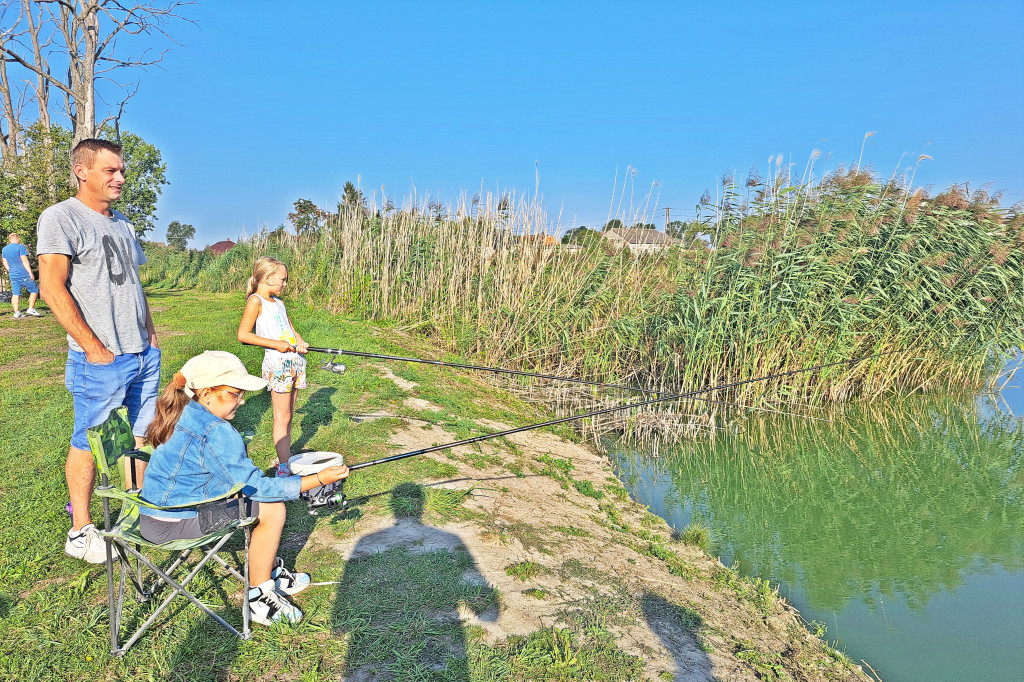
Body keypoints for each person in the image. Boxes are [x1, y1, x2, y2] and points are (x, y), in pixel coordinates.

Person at [139, 350, 349, 625]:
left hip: (153, 514)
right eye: (235, 393)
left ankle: (270, 570)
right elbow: (259, 488)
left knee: (252, 500)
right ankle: (260, 597)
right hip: (173, 522)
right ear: (207, 393)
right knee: (272, 509)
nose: (243, 400)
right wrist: (318, 480)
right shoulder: (216, 431)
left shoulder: (184, 410)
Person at [37, 138, 161, 564]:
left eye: (121, 170)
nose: (120, 178)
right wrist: (93, 347)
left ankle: (137, 511)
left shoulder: (123, 224)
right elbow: (51, 287)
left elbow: (132, 283)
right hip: (101, 358)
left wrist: (151, 332)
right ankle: (81, 529)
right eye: (110, 171)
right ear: (82, 171)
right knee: (90, 440)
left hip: (142, 352)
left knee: (140, 434)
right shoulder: (61, 217)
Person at [237, 256, 309, 477]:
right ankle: (284, 468)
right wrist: (275, 344)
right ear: (268, 278)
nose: (285, 284)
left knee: (289, 415)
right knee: (282, 416)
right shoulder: (255, 301)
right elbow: (243, 335)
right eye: (283, 279)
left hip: (294, 363)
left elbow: (291, 330)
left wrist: (300, 341)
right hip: (278, 365)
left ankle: (283, 459)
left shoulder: (279, 303)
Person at [1, 233, 42, 318]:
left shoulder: (4, 249)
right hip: (23, 273)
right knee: (34, 290)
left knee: (15, 293)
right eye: (19, 238)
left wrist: (10, 270)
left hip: (13, 275)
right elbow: (24, 261)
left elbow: (4, 262)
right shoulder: (21, 247)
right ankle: (31, 309)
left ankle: (17, 312)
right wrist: (30, 273)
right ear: (17, 238)